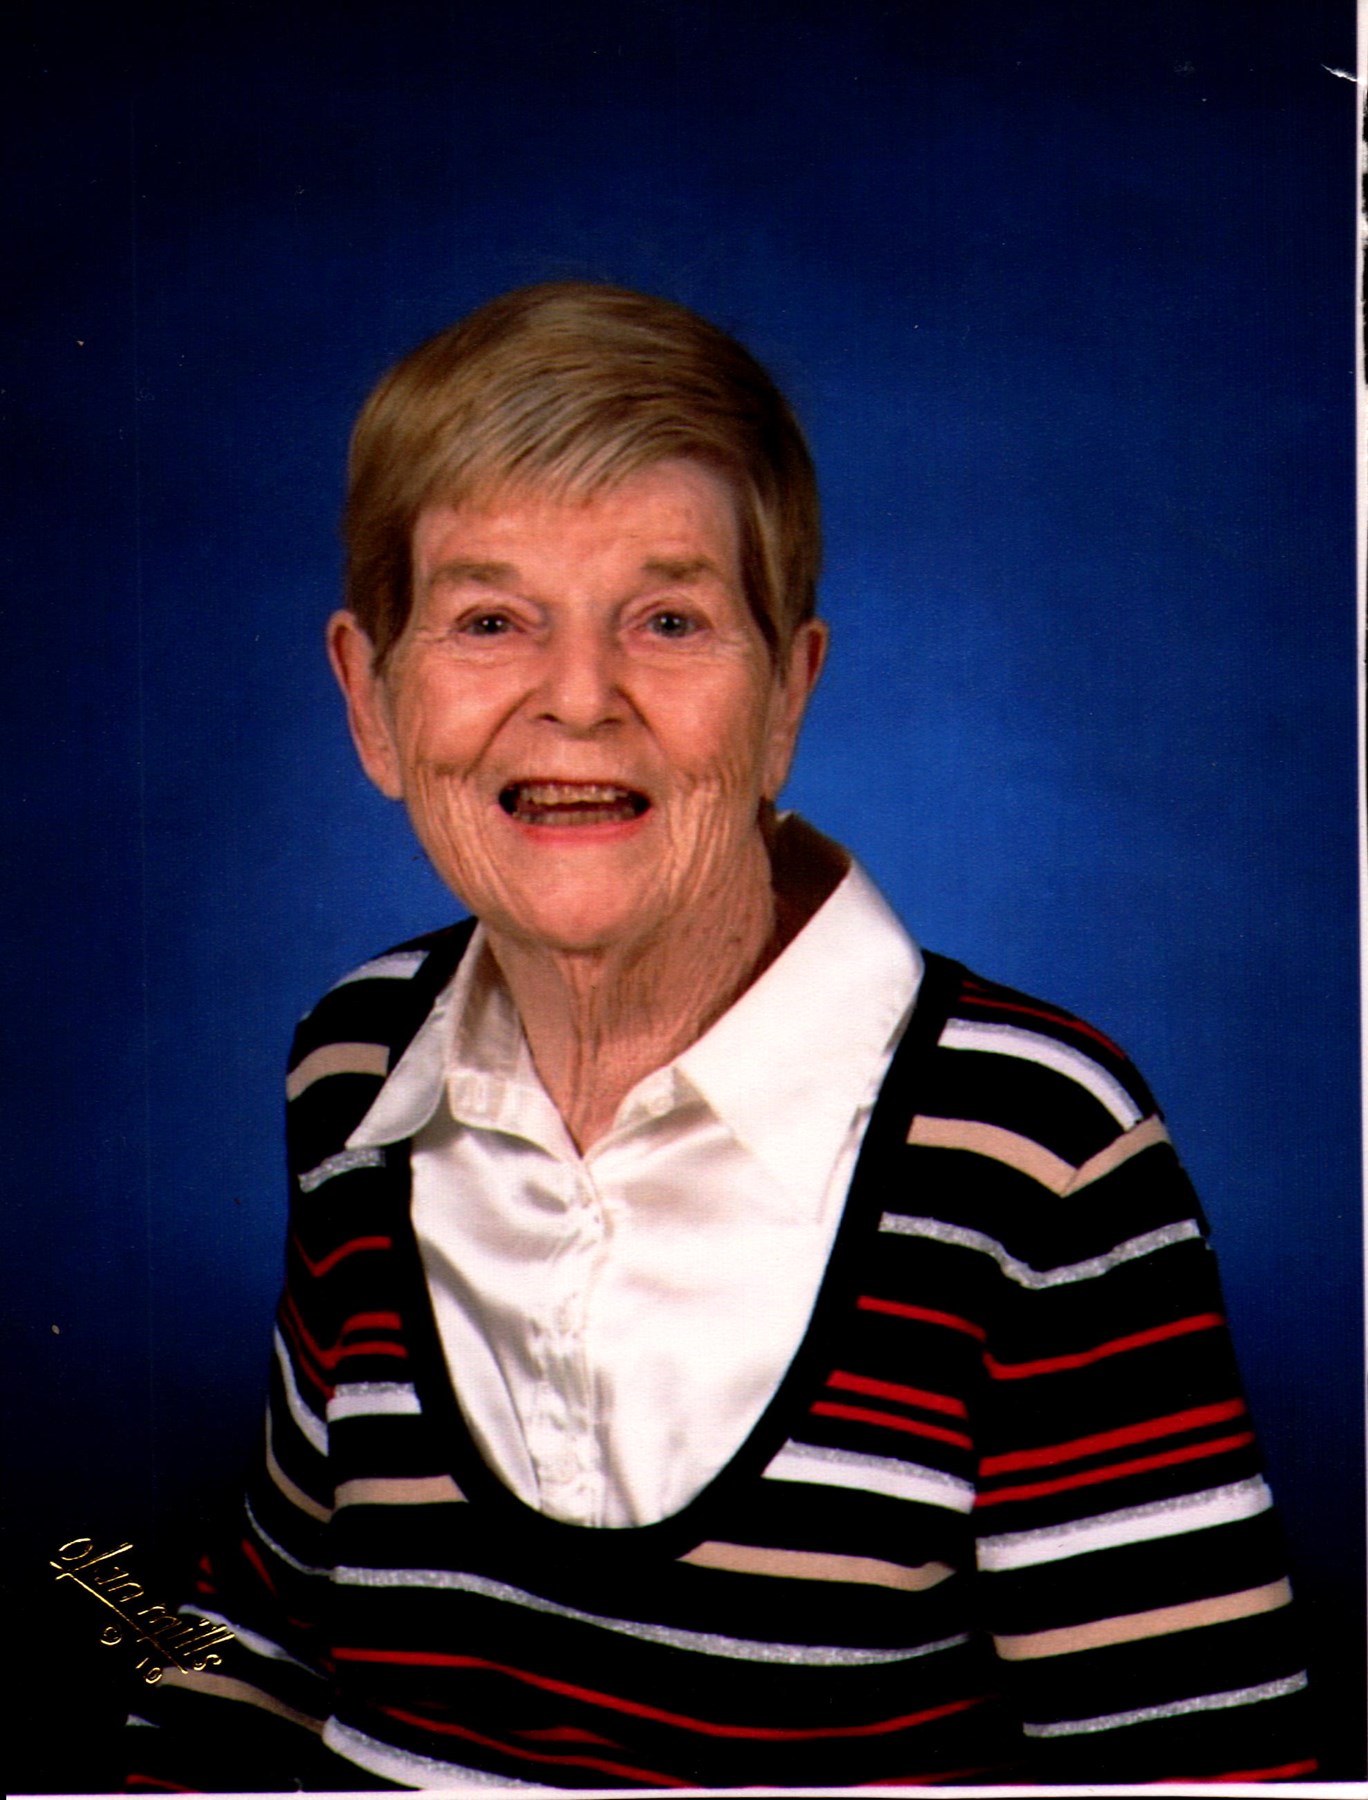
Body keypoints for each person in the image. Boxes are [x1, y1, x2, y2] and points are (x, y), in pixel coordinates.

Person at [126, 283, 1314, 1789]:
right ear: (372, 700)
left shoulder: (1037, 1151)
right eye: (490, 620)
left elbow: (1202, 1784)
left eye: (669, 620)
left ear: (785, 697)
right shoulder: (356, 1065)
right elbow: (277, 1624)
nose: (578, 702)